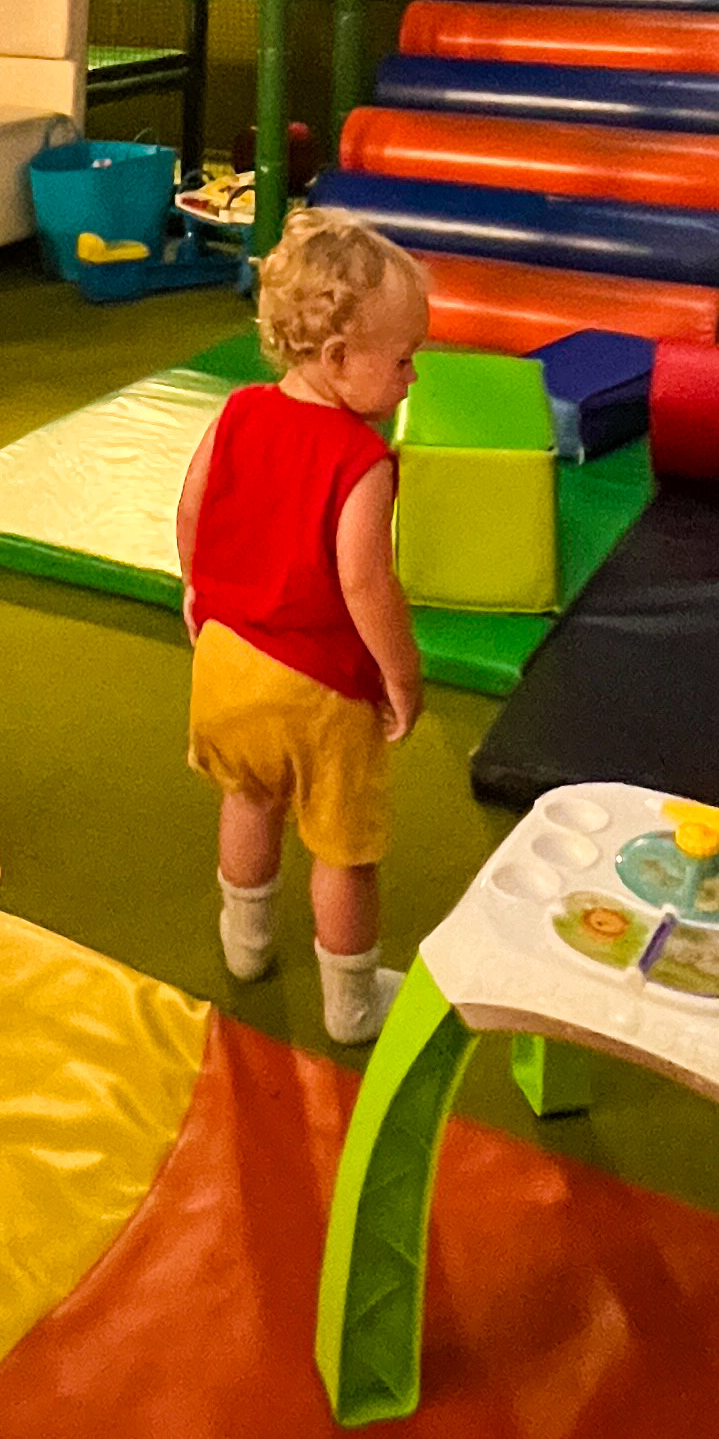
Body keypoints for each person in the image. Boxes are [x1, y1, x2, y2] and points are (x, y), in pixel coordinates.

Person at [175, 203, 426, 1044]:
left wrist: (197, 594)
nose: (412, 377)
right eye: (402, 359)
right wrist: (400, 673)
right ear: (336, 358)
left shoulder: (239, 411)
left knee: (248, 798)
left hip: (224, 662)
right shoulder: (361, 459)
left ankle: (245, 943)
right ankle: (351, 1004)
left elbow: (192, 508)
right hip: (315, 688)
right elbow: (366, 581)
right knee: (344, 851)